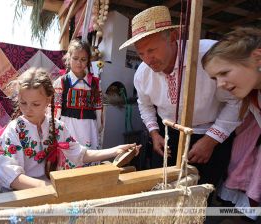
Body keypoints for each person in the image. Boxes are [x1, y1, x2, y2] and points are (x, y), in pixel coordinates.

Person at [119, 6, 242, 188]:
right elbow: (144, 105)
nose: (147, 59)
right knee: (162, 191)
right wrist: (154, 133)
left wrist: (210, 141)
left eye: (152, 50)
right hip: (168, 136)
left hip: (209, 134)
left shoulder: (209, 56)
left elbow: (237, 101)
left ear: (174, 37)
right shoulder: (143, 74)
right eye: (141, 53)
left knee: (199, 194)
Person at [0, 68, 140, 191]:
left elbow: (79, 154)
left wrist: (115, 151)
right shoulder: (13, 130)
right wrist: (48, 186)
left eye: (35, 104)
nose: (28, 109)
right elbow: (10, 175)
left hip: (49, 189)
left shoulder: (57, 127)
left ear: (48, 100)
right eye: (23, 103)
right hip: (25, 193)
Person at [202, 27, 261, 219]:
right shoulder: (253, 97)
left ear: (257, 58)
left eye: (225, 72)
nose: (220, 84)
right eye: (215, 78)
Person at [53, 39, 103, 151]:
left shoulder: (95, 83)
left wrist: (98, 128)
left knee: (89, 159)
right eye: (75, 58)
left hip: (89, 129)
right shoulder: (61, 82)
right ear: (69, 58)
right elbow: (56, 111)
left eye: (83, 59)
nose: (79, 63)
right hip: (68, 128)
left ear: (88, 61)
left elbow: (99, 109)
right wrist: (55, 131)